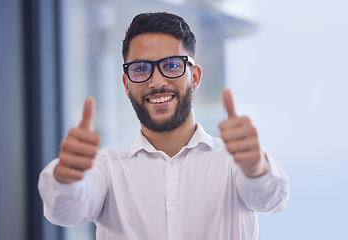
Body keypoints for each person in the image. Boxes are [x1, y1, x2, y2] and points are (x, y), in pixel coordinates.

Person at [38, 12, 290, 240]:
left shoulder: (234, 162)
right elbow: (66, 212)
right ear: (126, 85)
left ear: (194, 77)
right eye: (140, 69)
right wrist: (65, 177)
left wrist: (256, 167)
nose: (156, 82)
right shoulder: (107, 169)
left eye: (171, 65)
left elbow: (271, 199)